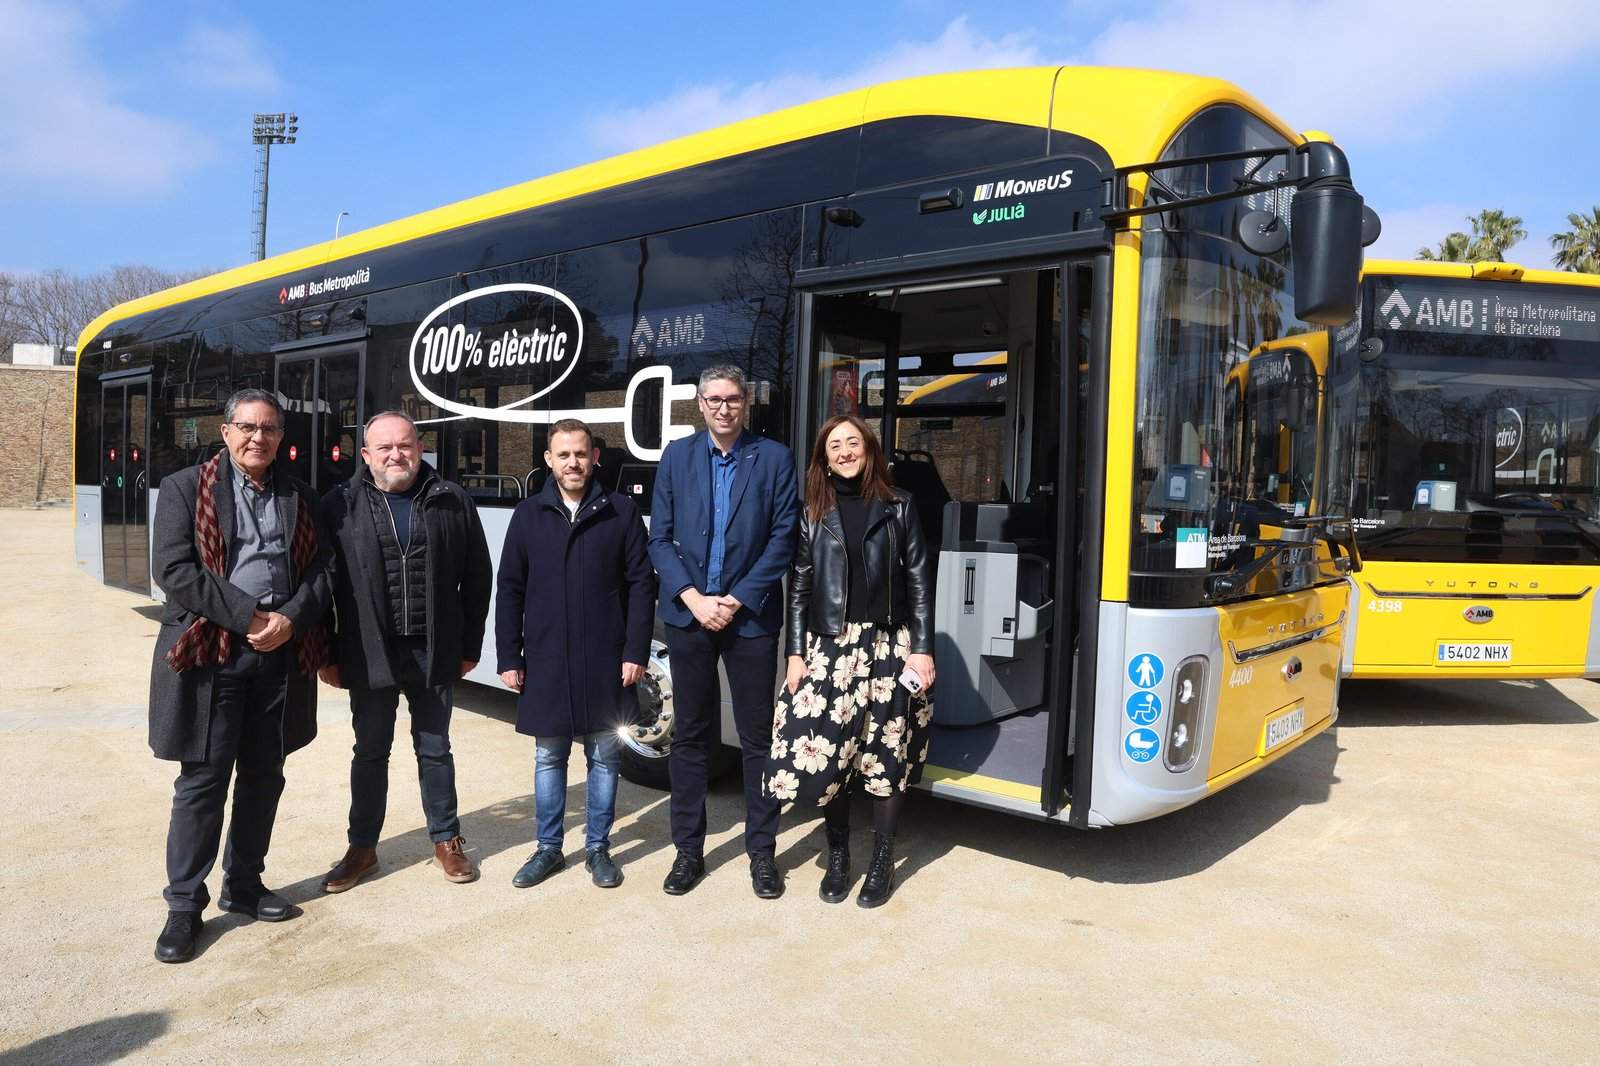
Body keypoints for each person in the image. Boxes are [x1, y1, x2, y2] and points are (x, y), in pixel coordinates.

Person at [148, 388, 334, 963]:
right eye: (248, 427)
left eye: (269, 428)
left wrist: (289, 619)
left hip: (279, 655)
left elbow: (323, 569)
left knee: (263, 774)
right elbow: (174, 569)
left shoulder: (300, 495)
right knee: (203, 781)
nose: (259, 438)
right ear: (226, 432)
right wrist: (250, 616)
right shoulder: (185, 488)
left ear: (282, 437)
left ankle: (245, 884)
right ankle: (184, 905)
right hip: (212, 652)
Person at [316, 411, 492, 891]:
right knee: (370, 752)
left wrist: (469, 645)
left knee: (435, 748)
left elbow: (478, 577)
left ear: (419, 448)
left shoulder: (450, 499)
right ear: (366, 455)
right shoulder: (339, 504)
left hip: (434, 650)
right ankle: (362, 848)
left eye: (406, 445)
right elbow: (323, 585)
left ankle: (447, 840)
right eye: (385, 447)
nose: (397, 455)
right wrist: (327, 652)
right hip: (367, 651)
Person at [763, 415, 934, 907]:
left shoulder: (900, 505)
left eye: (852, 443)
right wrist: (795, 653)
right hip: (831, 646)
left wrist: (922, 648)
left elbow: (919, 579)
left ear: (869, 449)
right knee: (829, 751)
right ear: (824, 457)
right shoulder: (813, 511)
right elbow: (799, 585)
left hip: (889, 644)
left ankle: (882, 859)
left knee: (886, 751)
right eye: (834, 445)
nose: (844, 452)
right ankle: (838, 855)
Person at [648, 365, 799, 898]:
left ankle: (762, 853)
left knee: (757, 737)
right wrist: (693, 597)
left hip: (749, 618)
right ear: (699, 403)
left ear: (746, 402)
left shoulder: (774, 458)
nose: (723, 408)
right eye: (714, 399)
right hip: (690, 616)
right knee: (691, 735)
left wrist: (735, 599)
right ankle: (688, 851)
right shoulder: (677, 456)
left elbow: (783, 537)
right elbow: (659, 538)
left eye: (732, 399)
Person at [496, 419, 656, 889]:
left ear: (595, 458)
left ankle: (598, 849)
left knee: (605, 756)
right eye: (563, 455)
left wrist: (635, 650)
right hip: (545, 657)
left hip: (606, 657)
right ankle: (548, 848)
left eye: (581, 454)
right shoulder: (528, 514)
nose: (573, 463)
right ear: (549, 459)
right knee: (549, 756)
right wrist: (509, 655)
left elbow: (641, 585)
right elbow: (510, 588)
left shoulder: (621, 511)